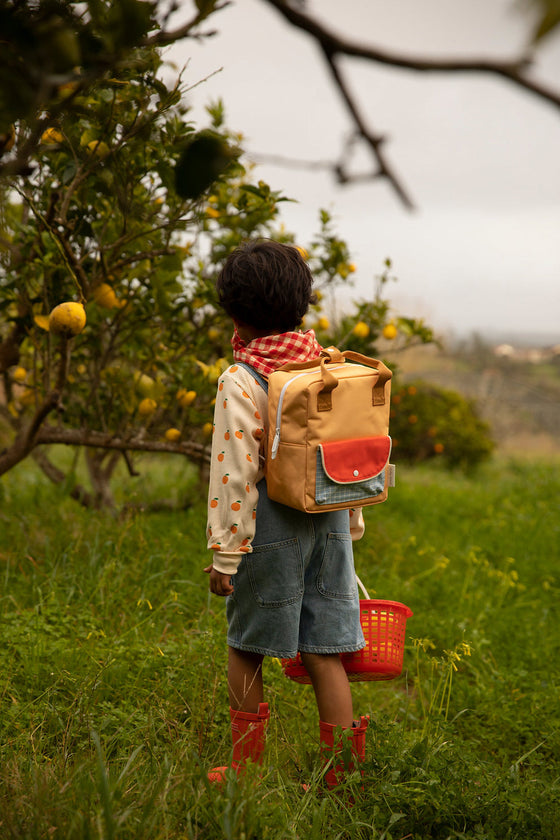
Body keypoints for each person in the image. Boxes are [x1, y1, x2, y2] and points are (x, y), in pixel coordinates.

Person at [204, 239, 368, 788]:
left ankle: (247, 772)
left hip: (268, 539)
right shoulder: (328, 369)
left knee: (246, 646)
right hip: (329, 531)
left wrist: (226, 556)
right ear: (303, 303)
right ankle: (340, 778)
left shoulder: (243, 380)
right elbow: (348, 458)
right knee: (325, 652)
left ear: (234, 312)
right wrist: (351, 525)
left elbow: (234, 475)